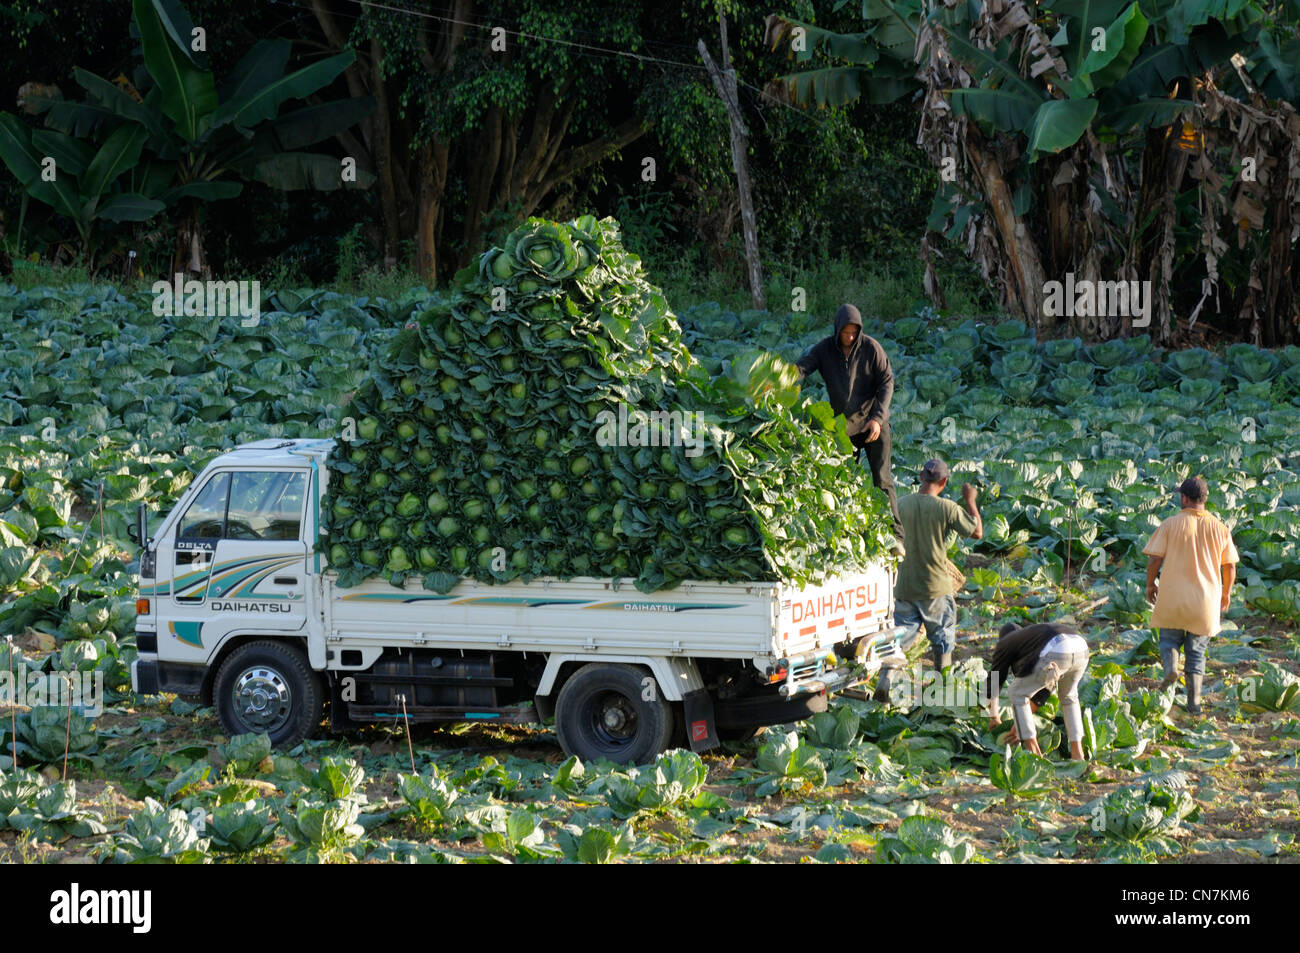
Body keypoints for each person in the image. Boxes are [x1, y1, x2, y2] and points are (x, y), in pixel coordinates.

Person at [794, 303, 903, 553]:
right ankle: (847, 535)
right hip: (843, 428)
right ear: (837, 329)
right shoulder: (824, 350)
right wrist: (783, 376)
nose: (850, 337)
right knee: (843, 481)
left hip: (873, 424)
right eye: (846, 332)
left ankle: (896, 538)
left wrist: (878, 418)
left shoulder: (871, 348)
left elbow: (887, 381)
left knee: (882, 481)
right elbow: (803, 367)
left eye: (855, 332)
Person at [873, 458, 981, 701]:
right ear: (943, 482)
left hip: (904, 584)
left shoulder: (900, 504)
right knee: (942, 637)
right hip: (934, 586)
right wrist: (970, 501)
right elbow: (977, 532)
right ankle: (941, 691)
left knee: (902, 635)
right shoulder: (947, 508)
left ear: (921, 477)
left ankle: (886, 678)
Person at [1143, 476, 1239, 716]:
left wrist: (1150, 585)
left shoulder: (1170, 524)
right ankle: (1194, 706)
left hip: (1173, 596)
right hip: (1205, 601)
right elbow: (1230, 566)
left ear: (1185, 498)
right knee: (1196, 651)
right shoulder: (1220, 527)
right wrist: (1226, 593)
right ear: (1204, 499)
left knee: (1168, 639)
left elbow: (1155, 559)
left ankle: (1171, 668)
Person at [984, 621, 1089, 760]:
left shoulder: (1005, 643)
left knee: (1016, 693)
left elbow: (994, 679)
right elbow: (1043, 691)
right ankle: (1077, 754)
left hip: (1056, 647)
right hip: (1081, 647)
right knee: (1069, 698)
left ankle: (1033, 753)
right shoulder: (1031, 639)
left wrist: (994, 717)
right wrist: (1018, 725)